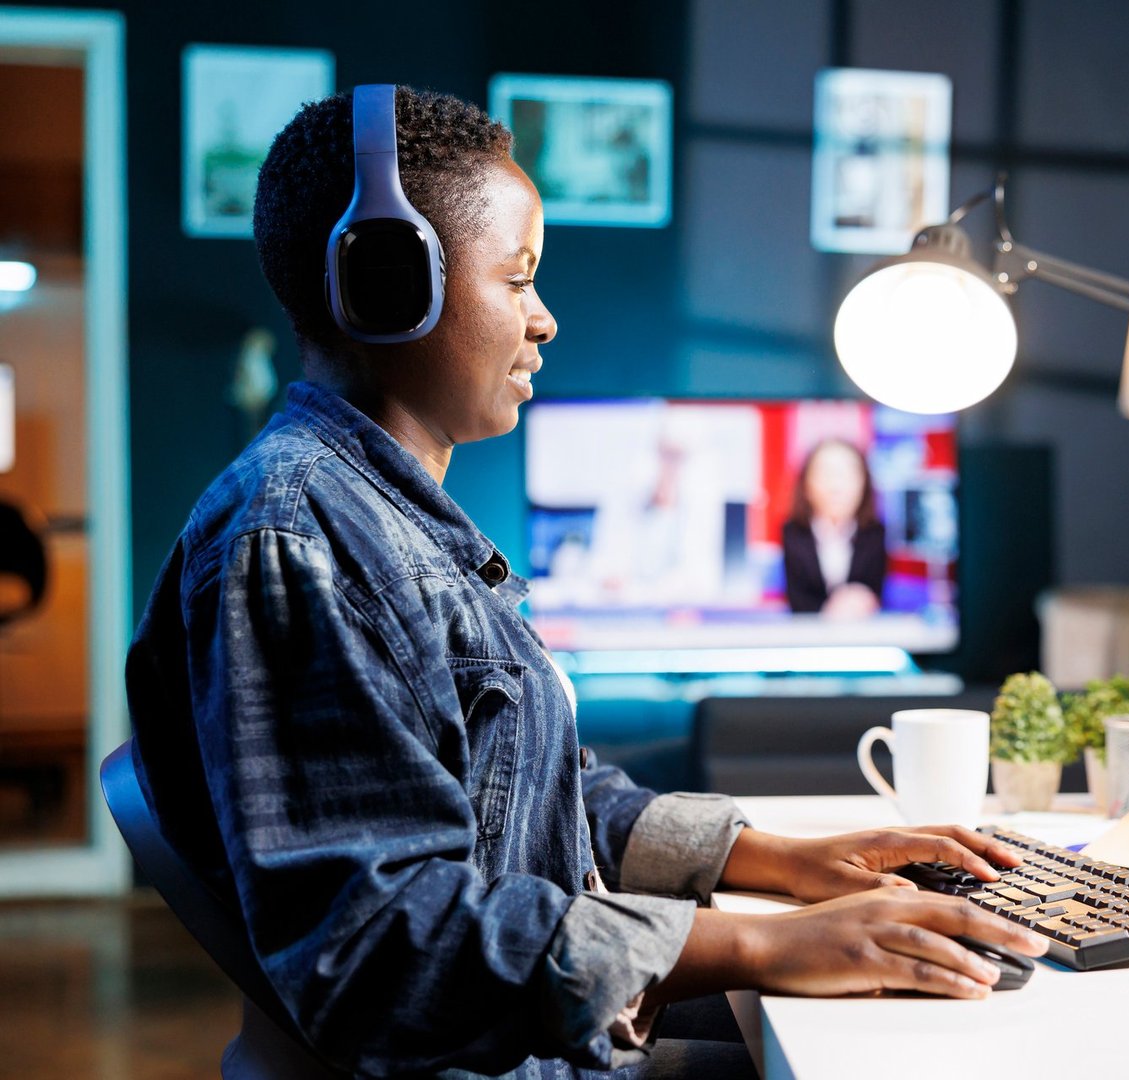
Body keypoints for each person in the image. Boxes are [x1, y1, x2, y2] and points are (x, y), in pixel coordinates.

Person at [123, 86, 1043, 1079]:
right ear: (391, 286)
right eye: (517, 279)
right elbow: (383, 950)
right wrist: (762, 943)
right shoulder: (303, 539)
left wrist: (780, 861)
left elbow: (530, 796)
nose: (544, 319)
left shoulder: (382, 516)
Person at [781, 439, 888, 617]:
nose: (836, 486)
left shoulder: (876, 534)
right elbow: (797, 603)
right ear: (806, 484)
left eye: (847, 474)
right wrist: (833, 611)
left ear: (864, 483)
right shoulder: (793, 533)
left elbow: (878, 595)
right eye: (825, 473)